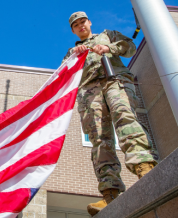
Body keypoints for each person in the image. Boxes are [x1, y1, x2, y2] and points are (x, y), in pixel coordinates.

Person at [62, 12, 159, 216]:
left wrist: (109, 48)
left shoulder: (107, 34)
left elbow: (130, 48)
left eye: (83, 22)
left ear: (89, 22)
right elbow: (64, 74)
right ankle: (110, 193)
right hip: (89, 92)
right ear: (73, 30)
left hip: (114, 81)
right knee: (99, 139)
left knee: (125, 120)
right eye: (76, 25)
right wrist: (74, 56)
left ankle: (146, 169)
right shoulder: (72, 51)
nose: (80, 26)